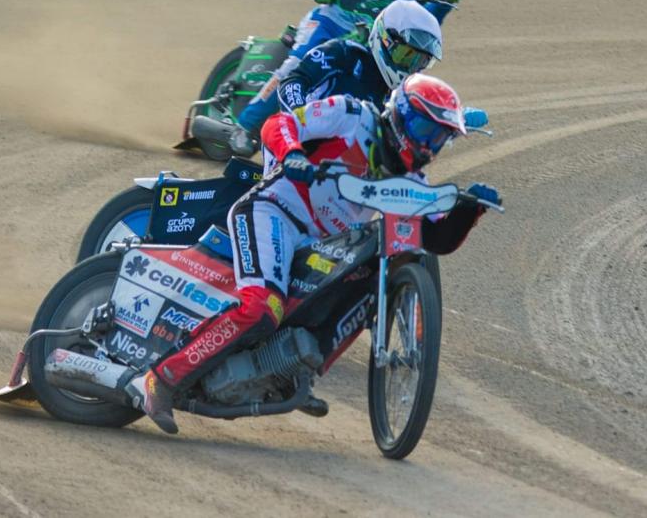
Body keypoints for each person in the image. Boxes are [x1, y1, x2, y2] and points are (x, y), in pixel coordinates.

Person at [126, 74, 500, 434]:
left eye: (440, 139)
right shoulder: (352, 115)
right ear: (401, 114)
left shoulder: (411, 181)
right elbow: (279, 124)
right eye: (425, 131)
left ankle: (290, 370)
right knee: (261, 307)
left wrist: (469, 212)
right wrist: (292, 155)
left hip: (319, 246)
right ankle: (159, 379)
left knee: (367, 279)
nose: (429, 147)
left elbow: (435, 239)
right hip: (273, 212)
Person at [229, 0, 464, 156]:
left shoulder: (413, 2)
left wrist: (442, 4)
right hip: (328, 25)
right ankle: (243, 127)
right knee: (295, 67)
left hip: (362, 40)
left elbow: (420, 31)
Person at [231, 0, 445, 158]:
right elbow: (294, 81)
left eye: (419, 62)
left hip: (341, 175)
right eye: (406, 55)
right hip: (293, 150)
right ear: (385, 38)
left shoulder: (398, 97)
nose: (410, 67)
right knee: (292, 65)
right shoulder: (344, 53)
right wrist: (299, 120)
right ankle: (244, 125)